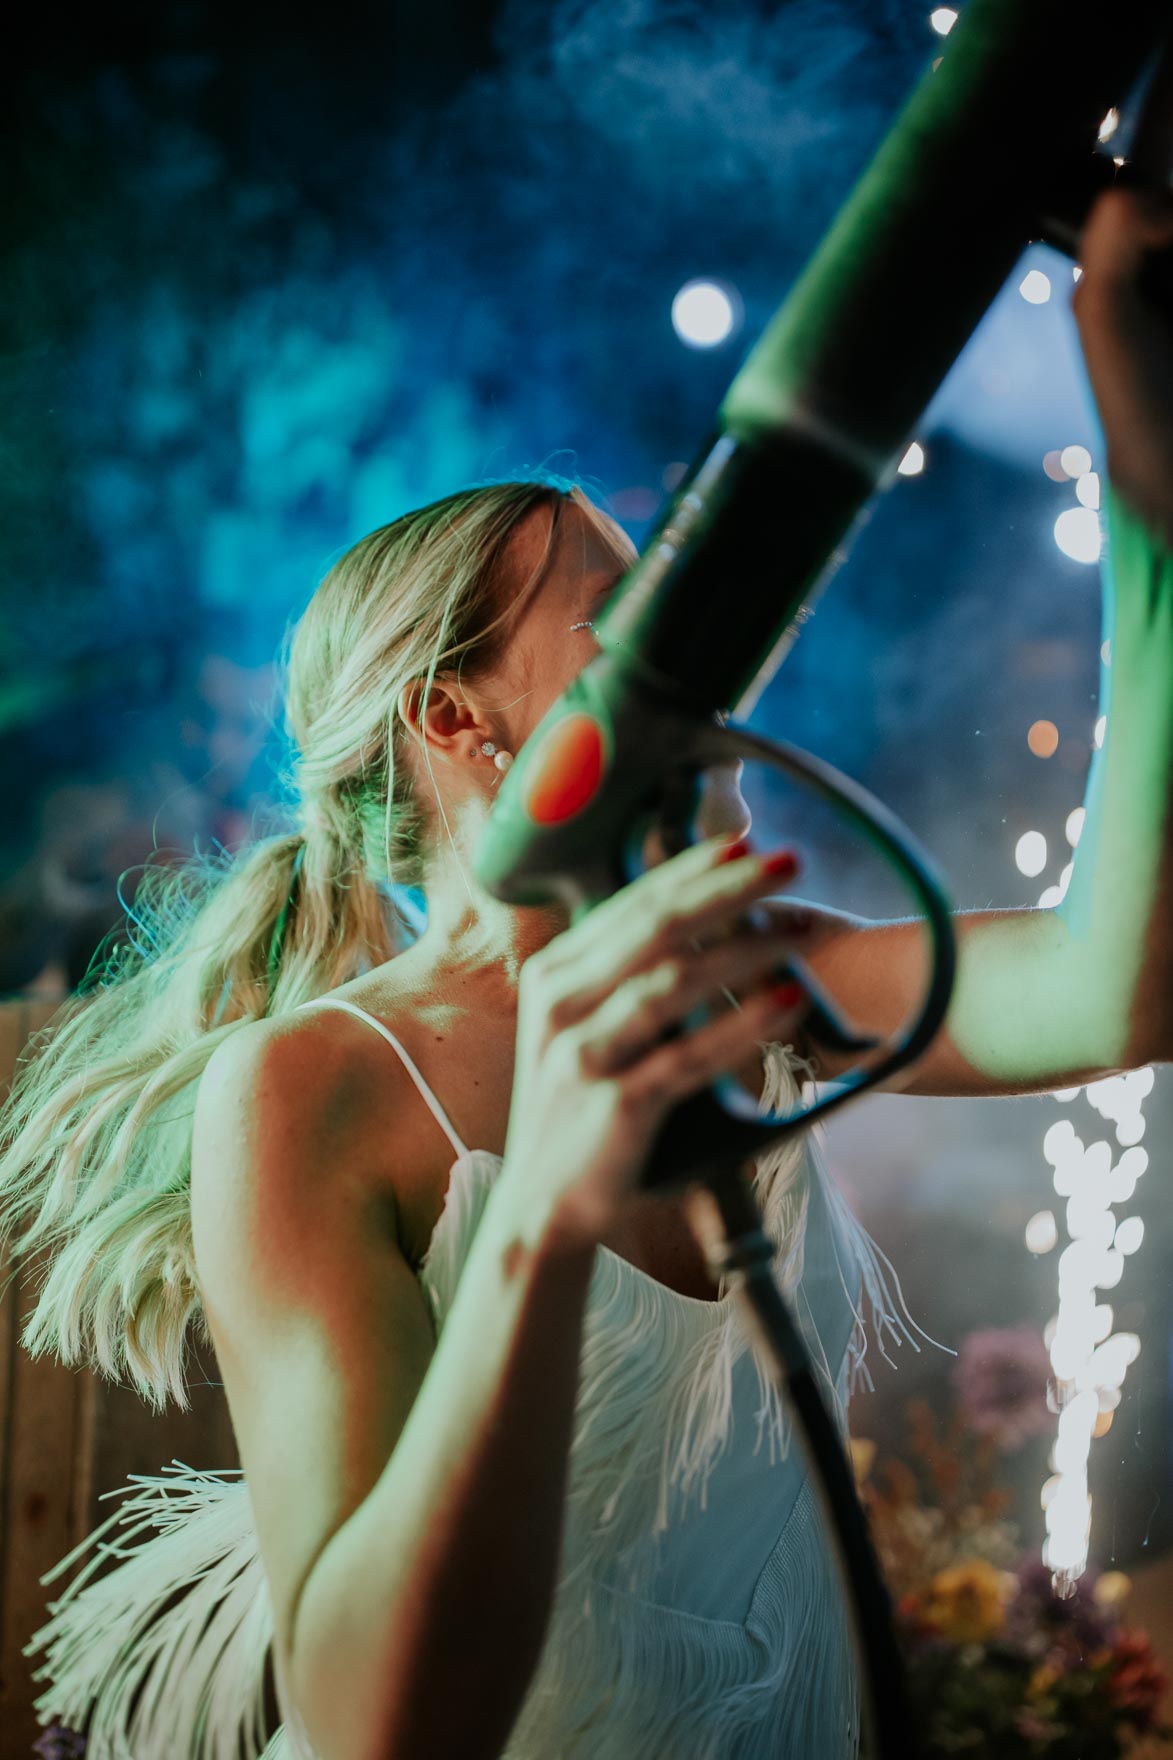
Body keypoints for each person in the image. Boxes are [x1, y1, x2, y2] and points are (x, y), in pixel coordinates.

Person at [3, 181, 1172, 1760]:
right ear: (452, 715)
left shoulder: (752, 977)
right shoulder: (307, 1089)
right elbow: (365, 1725)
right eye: (620, 630)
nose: (710, 672)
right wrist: (539, 1208)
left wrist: (1158, 498)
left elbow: (1119, 992)